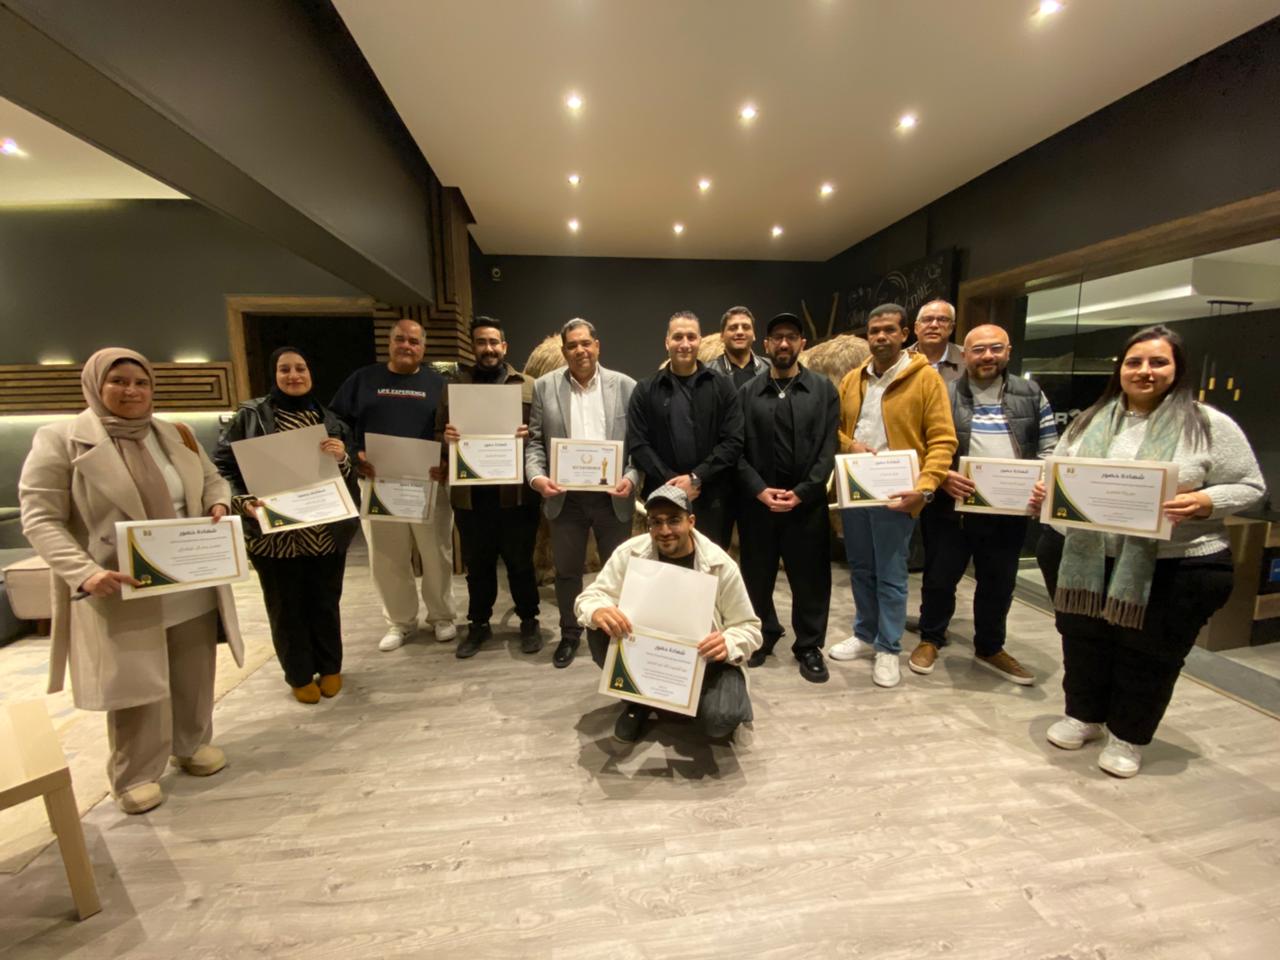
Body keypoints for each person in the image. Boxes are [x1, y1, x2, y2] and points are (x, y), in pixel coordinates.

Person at [19, 348, 243, 815]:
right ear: (95, 384)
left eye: (141, 383)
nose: (131, 391)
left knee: (193, 668)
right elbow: (40, 518)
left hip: (190, 576)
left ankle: (191, 744)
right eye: (118, 381)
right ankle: (136, 773)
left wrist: (217, 503)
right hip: (121, 582)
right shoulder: (60, 440)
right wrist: (84, 571)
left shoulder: (174, 434)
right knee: (137, 681)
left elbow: (212, 480)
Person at [1036, 325, 1264, 778]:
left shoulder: (1207, 424)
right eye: (1134, 362)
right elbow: (1058, 472)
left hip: (1173, 563)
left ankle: (1129, 735)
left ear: (1177, 368)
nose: (1145, 371)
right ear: (1119, 368)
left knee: (1149, 654)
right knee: (1082, 641)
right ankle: (1083, 715)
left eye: (1158, 362)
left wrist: (1204, 501)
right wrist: (1046, 490)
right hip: (1083, 557)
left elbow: (1251, 486)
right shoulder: (1089, 420)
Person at [908, 325, 1058, 685]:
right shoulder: (943, 392)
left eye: (995, 349)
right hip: (950, 507)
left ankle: (990, 647)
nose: (987, 356)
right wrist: (942, 475)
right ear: (965, 355)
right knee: (939, 578)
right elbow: (921, 445)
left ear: (1008, 352)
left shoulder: (1031, 393)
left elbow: (1051, 448)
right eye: (978, 350)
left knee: (999, 582)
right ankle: (931, 638)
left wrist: (1042, 482)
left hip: (1009, 511)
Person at [214, 346, 360, 703]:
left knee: (325, 602)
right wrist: (243, 502)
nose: (294, 375)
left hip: (324, 531)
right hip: (274, 534)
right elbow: (222, 467)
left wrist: (342, 457)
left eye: (300, 368)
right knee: (285, 607)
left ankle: (330, 667)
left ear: (311, 373)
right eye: (285, 369)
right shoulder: (250, 416)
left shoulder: (331, 420)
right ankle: (298, 673)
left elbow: (349, 473)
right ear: (274, 374)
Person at [828, 303, 957, 687]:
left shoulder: (926, 379)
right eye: (874, 331)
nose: (881, 337)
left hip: (898, 494)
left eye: (888, 330)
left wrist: (925, 489)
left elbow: (943, 440)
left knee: (891, 573)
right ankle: (865, 633)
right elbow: (834, 429)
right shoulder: (853, 379)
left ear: (904, 334)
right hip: (856, 490)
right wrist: (849, 445)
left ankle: (888, 647)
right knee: (861, 567)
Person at [575, 485, 763, 743]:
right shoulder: (630, 552)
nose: (664, 531)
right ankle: (638, 701)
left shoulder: (720, 565)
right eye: (656, 522)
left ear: (691, 521)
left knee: (721, 720)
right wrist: (597, 610)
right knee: (598, 626)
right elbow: (589, 598)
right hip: (646, 655)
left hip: (707, 661)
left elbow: (750, 628)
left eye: (674, 520)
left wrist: (727, 642)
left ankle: (687, 699)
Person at [330, 318, 455, 652]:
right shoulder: (362, 380)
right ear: (390, 342)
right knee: (387, 557)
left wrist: (447, 461)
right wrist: (354, 453)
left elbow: (453, 430)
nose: (406, 346)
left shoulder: (439, 385)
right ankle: (400, 622)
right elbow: (336, 421)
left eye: (414, 341)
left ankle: (442, 616)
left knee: (436, 554)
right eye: (400, 339)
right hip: (378, 483)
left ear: (423, 347)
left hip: (429, 484)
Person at [527, 319, 639, 668]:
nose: (580, 350)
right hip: (566, 499)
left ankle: (620, 635)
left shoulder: (626, 386)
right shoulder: (545, 387)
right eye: (572, 345)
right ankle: (570, 633)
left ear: (597, 346)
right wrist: (537, 478)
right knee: (567, 572)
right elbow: (534, 443)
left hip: (613, 498)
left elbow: (639, 445)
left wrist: (632, 477)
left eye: (586, 343)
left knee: (619, 572)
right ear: (564, 351)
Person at [736, 313, 839, 684]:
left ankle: (809, 645)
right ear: (765, 344)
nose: (783, 343)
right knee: (756, 576)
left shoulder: (823, 391)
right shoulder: (746, 393)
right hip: (758, 506)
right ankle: (762, 635)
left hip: (806, 506)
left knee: (811, 579)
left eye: (791, 337)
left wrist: (802, 492)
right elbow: (736, 449)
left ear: (802, 344)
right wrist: (759, 489)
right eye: (777, 337)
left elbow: (829, 448)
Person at [437, 317, 541, 658]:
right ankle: (478, 624)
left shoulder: (527, 386)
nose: (489, 348)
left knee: (521, 563)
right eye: (481, 342)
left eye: (494, 342)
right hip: (471, 497)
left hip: (517, 496)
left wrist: (528, 435)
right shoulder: (454, 386)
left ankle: (529, 620)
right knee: (478, 566)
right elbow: (437, 434)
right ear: (473, 347)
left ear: (504, 346)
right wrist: (446, 438)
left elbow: (542, 434)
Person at [627, 310, 744, 547]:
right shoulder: (645, 390)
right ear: (666, 342)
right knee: (663, 565)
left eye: (691, 337)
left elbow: (733, 441)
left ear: (700, 340)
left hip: (712, 501)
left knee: (708, 567)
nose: (685, 344)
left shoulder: (722, 387)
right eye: (678, 337)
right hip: (661, 499)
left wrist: (696, 478)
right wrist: (674, 484)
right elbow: (638, 444)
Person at [708, 306, 769, 388]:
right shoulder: (707, 373)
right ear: (722, 336)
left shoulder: (771, 368)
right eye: (733, 328)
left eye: (746, 327)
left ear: (754, 335)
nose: (740, 332)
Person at [907, 299, 964, 383]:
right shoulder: (899, 360)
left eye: (942, 320)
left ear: (951, 328)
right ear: (916, 328)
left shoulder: (968, 358)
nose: (934, 325)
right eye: (927, 319)